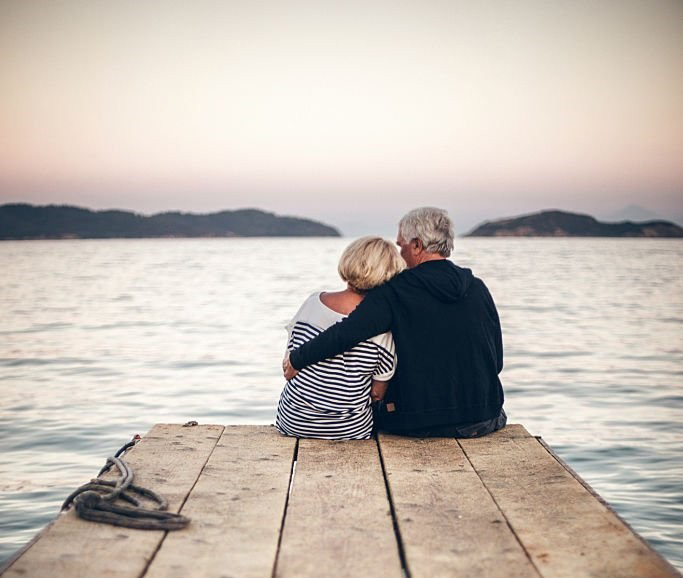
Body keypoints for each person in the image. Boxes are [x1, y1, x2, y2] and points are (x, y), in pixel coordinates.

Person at [283, 207, 506, 438]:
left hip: (421, 422)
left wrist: (298, 358)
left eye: (402, 245)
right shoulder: (477, 287)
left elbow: (347, 332)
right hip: (484, 417)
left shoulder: (396, 290)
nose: (400, 252)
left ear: (417, 245)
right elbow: (496, 360)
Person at [275, 236, 404, 440]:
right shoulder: (382, 329)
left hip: (293, 421)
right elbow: (377, 392)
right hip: (348, 429)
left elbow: (288, 359)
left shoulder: (312, 303)